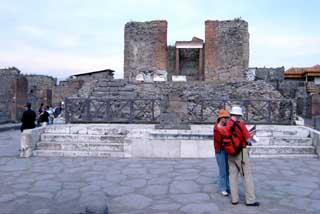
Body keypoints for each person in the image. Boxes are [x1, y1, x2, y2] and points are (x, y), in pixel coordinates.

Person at [226, 106, 259, 206]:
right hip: (241, 153)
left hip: (230, 152)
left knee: (232, 176)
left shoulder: (227, 124)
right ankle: (250, 200)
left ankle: (234, 199)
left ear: (232, 114)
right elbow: (248, 139)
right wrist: (251, 135)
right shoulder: (240, 124)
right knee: (246, 176)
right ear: (239, 115)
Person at [213, 109, 231, 196]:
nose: (227, 119)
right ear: (221, 118)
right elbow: (220, 140)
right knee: (222, 170)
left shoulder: (226, 126)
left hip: (227, 150)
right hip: (220, 151)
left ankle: (227, 187)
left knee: (228, 170)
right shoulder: (217, 128)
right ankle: (223, 188)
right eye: (226, 117)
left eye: (227, 117)